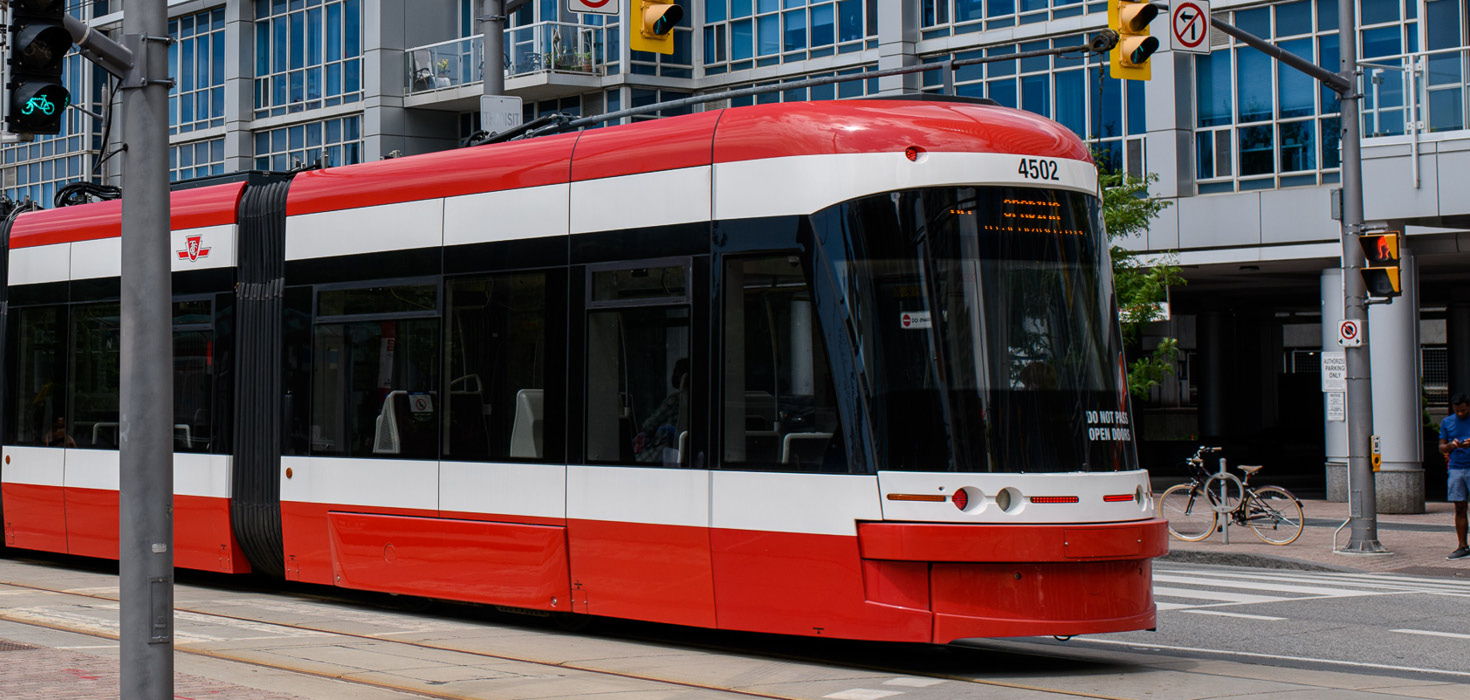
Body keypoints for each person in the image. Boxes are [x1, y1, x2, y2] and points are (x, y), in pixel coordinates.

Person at [1440, 393, 1470, 560]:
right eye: (1457, 411)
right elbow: (1441, 446)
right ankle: (1462, 545)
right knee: (1459, 507)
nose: (1460, 414)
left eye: (1464, 410)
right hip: (1456, 468)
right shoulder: (1447, 422)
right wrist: (1451, 446)